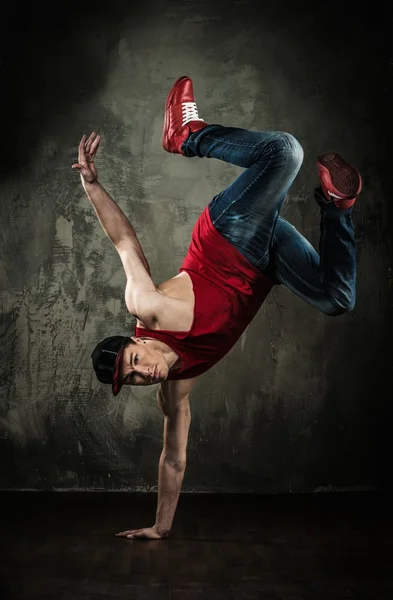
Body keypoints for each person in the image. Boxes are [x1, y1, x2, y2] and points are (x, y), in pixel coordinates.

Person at [72, 76, 362, 539]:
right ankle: (336, 204)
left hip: (229, 235)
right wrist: (160, 527)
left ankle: (189, 136)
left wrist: (91, 185)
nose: (141, 374)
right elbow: (173, 457)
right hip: (267, 260)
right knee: (336, 298)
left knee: (285, 152)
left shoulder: (148, 307)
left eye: (132, 361)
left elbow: (124, 241)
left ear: (135, 341)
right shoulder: (177, 390)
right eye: (130, 380)